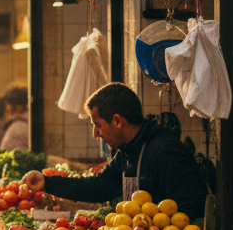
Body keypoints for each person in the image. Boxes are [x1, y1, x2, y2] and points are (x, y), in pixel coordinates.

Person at [22, 82, 208, 218]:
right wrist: (46, 183)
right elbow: (99, 187)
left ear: (118, 121)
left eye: (98, 125)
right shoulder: (128, 151)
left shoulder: (165, 152)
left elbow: (192, 208)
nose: (96, 134)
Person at [0, 84, 30, 151]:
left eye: (7, 108)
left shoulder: (16, 129)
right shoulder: (29, 124)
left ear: (18, 108)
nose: (5, 112)